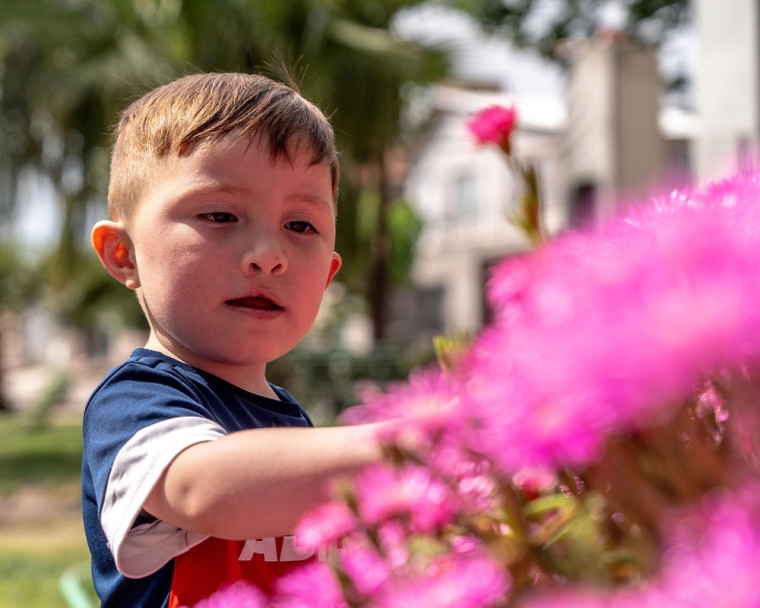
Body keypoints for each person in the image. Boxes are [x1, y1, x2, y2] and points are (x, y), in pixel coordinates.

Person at [81, 72, 384, 608]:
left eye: (301, 226)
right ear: (124, 255)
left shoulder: (289, 419)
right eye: (220, 215)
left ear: (328, 275)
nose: (268, 254)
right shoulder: (135, 402)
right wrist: (420, 443)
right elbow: (207, 490)